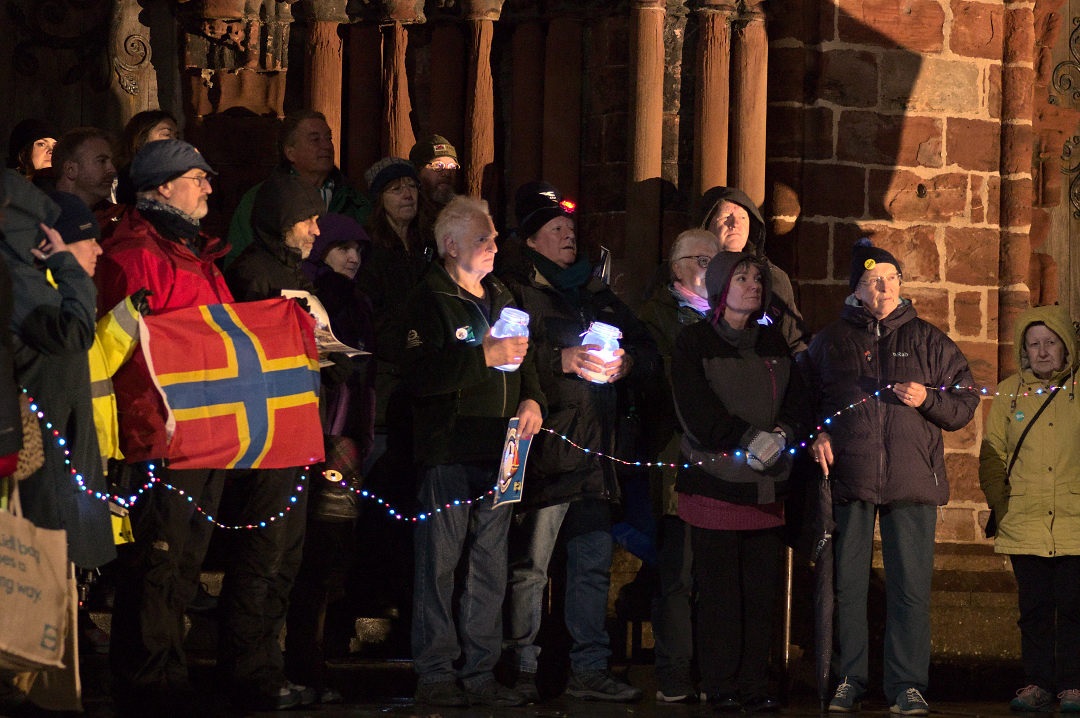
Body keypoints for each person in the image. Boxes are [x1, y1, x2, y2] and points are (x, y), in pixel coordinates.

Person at [802, 239, 979, 715]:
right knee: (848, 587)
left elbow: (965, 400)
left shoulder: (928, 340)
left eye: (891, 279)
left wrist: (927, 400)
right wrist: (817, 433)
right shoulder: (829, 342)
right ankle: (849, 678)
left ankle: (907, 685)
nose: (883, 287)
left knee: (910, 588)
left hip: (912, 481)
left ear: (901, 284)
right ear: (855, 290)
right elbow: (804, 401)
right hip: (850, 479)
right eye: (871, 281)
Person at [499, 181, 658, 703]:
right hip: (544, 453)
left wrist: (628, 363)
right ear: (531, 241)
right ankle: (521, 666)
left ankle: (588, 666)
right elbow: (505, 355)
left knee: (591, 566)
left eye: (571, 229)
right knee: (531, 567)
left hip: (596, 452)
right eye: (556, 230)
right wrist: (559, 360)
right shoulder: (516, 289)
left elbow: (646, 349)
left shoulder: (598, 293)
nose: (569, 236)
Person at [93, 139, 234, 709]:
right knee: (157, 562)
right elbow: (119, 351)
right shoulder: (134, 255)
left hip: (205, 430)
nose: (207, 187)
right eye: (196, 178)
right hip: (158, 433)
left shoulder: (194, 253)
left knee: (184, 563)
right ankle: (148, 684)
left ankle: (168, 672)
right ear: (159, 188)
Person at [401, 196, 545, 708]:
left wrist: (533, 399)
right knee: (439, 563)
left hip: (504, 448)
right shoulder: (429, 298)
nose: (493, 245)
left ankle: (481, 671)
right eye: (482, 238)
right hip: (451, 447)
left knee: (490, 562)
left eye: (492, 237)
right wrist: (481, 355)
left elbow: (528, 361)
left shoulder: (502, 294)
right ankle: (436, 670)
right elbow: (419, 375)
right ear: (451, 245)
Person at [670, 250, 809, 712]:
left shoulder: (774, 344)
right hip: (716, 484)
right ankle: (721, 683)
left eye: (757, 279)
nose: (753, 285)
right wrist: (747, 438)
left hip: (766, 488)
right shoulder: (693, 342)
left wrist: (784, 433)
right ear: (721, 287)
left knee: (759, 592)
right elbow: (697, 410)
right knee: (720, 595)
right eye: (743, 278)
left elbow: (797, 399)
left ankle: (754, 683)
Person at [220, 171, 327, 711]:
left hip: (300, 430)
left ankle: (272, 666)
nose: (315, 229)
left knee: (287, 558)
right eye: (306, 219)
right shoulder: (250, 273)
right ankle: (247, 673)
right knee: (262, 556)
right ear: (279, 221)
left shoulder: (300, 273)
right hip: (266, 439)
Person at [0, 170, 114, 572]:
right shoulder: (26, 291)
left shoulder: (42, 290)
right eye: (88, 240)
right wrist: (67, 264)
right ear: (52, 241)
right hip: (44, 475)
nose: (99, 250)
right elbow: (74, 335)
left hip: (65, 463)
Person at [284, 213, 375, 705]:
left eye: (358, 249)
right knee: (312, 553)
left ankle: (314, 654)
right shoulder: (314, 297)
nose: (353, 258)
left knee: (330, 552)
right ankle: (301, 657)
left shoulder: (356, 302)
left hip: (346, 437)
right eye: (343, 248)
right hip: (318, 435)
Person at [979, 305, 1080, 713]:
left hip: (1075, 520)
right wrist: (1003, 508)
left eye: (1050, 343)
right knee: (1034, 608)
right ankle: (1037, 682)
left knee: (1074, 607)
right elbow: (992, 455)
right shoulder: (1009, 392)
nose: (1042, 352)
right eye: (1034, 344)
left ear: (1065, 347)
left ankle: (1073, 685)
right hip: (1025, 520)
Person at [638, 227, 721, 703]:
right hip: (677, 462)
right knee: (679, 574)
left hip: (724, 465)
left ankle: (714, 672)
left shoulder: (736, 317)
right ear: (678, 268)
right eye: (704, 261)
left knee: (716, 576)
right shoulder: (655, 317)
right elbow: (662, 385)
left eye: (718, 262)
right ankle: (673, 673)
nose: (714, 271)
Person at [225, 110, 370, 265]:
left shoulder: (355, 201)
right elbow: (239, 262)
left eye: (329, 138)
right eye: (315, 140)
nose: (327, 146)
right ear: (290, 152)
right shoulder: (260, 199)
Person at [698, 186, 808, 354]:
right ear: (707, 224)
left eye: (743, 217)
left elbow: (795, 342)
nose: (735, 224)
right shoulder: (687, 273)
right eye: (726, 216)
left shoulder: (774, 278)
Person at [113, 110, 179, 206]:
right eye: (166, 134)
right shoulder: (131, 176)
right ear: (142, 138)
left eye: (177, 136)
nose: (175, 141)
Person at [52, 127, 118, 216]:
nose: (112, 170)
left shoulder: (121, 220)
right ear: (70, 169)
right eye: (102, 161)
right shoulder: (38, 221)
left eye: (112, 162)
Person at [409, 134, 459, 249]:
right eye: (438, 165)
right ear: (417, 171)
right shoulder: (408, 213)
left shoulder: (463, 213)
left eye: (452, 166)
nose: (446, 172)